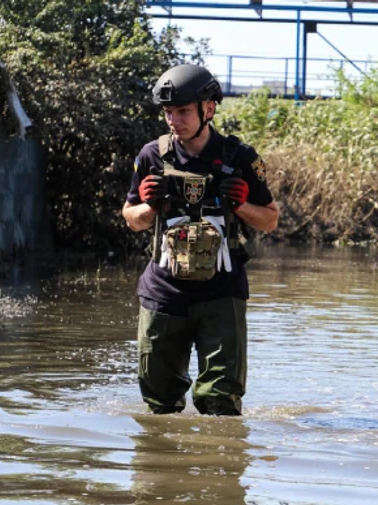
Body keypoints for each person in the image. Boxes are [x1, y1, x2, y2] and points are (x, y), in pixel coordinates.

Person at [123, 63, 279, 416]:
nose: (174, 120)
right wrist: (150, 206)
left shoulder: (241, 158)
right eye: (168, 112)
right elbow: (132, 219)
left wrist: (240, 204)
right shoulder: (152, 155)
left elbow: (270, 219)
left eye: (182, 111)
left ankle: (220, 466)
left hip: (222, 294)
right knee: (159, 402)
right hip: (164, 293)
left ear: (208, 109)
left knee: (220, 403)